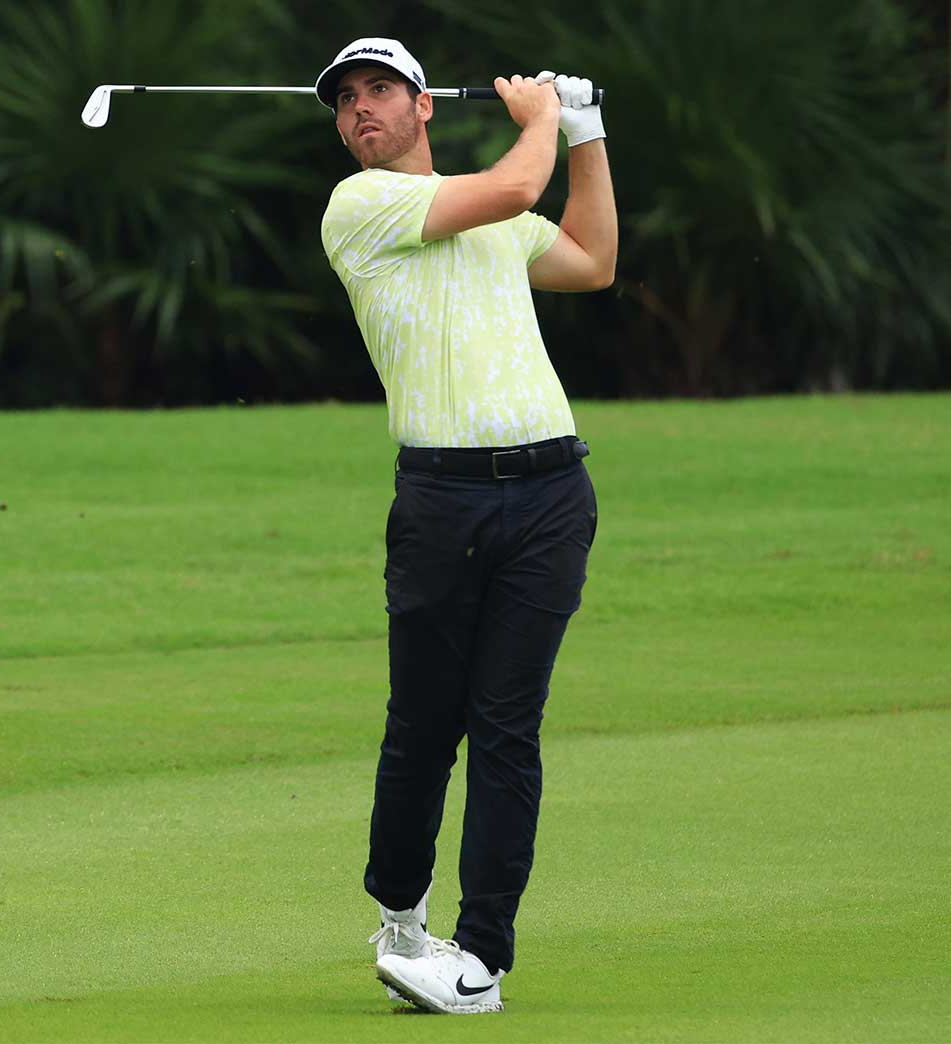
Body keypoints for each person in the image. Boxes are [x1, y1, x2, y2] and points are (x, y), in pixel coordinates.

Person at [314, 37, 616, 1015]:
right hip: (440, 498)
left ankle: (479, 958)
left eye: (379, 91)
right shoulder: (359, 206)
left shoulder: (494, 215)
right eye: (344, 100)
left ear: (421, 105)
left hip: (549, 489)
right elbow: (502, 193)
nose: (359, 110)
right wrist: (538, 122)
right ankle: (401, 917)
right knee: (422, 724)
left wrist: (584, 132)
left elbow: (590, 259)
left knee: (504, 726)